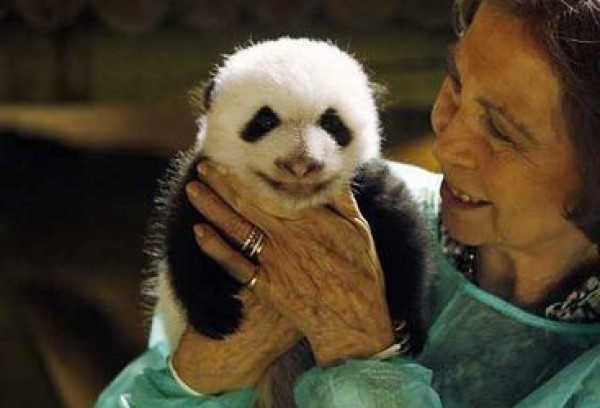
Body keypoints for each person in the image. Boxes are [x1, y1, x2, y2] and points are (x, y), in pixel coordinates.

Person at [96, 0, 600, 406]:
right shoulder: (343, 211)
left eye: (502, 130)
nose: (446, 143)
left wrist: (360, 354)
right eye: (456, 82)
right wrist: (199, 374)